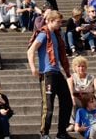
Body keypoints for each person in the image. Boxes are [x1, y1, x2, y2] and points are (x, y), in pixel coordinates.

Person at [27, 9, 72, 139]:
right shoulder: (43, 33)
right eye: (58, 22)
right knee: (48, 105)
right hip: (47, 73)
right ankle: (44, 133)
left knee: (67, 101)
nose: (60, 24)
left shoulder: (56, 35)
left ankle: (62, 132)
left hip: (57, 72)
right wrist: (33, 68)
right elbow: (30, 51)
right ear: (50, 21)